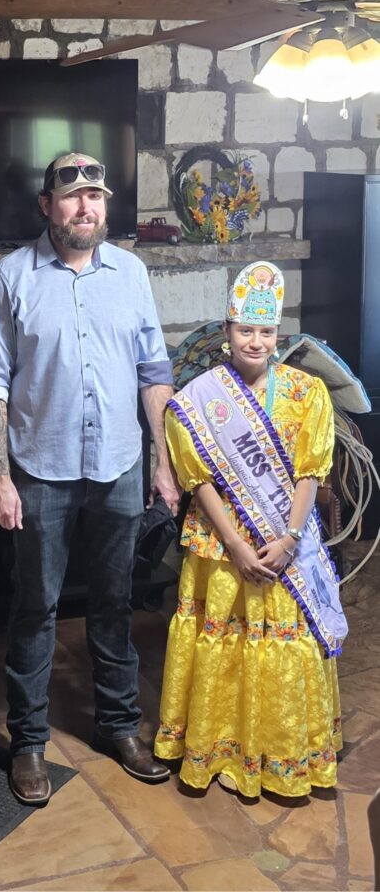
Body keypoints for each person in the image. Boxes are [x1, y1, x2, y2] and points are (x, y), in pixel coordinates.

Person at [0, 151, 179, 805]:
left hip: (119, 464)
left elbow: (154, 373)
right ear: (47, 206)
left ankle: (120, 728)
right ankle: (28, 742)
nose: (85, 208)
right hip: (40, 471)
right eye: (71, 197)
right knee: (36, 609)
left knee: (116, 605)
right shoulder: (9, 278)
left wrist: (163, 461)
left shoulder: (132, 274)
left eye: (95, 197)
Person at [154, 261, 347, 798]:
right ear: (227, 330)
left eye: (265, 332)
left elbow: (310, 472)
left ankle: (283, 754)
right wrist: (237, 544)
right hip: (223, 546)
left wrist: (288, 538)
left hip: (286, 538)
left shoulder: (308, 394)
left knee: (284, 647)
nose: (255, 341)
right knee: (225, 642)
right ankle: (221, 750)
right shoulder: (197, 400)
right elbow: (200, 482)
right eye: (245, 330)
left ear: (277, 334)